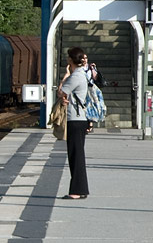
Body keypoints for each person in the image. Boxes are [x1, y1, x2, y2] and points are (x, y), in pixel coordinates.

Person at [58, 46, 90, 200]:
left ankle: (76, 191)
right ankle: (81, 189)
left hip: (75, 120)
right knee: (78, 154)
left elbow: (61, 91)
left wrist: (66, 75)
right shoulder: (82, 74)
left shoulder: (76, 76)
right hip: (80, 119)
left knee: (75, 155)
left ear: (71, 59)